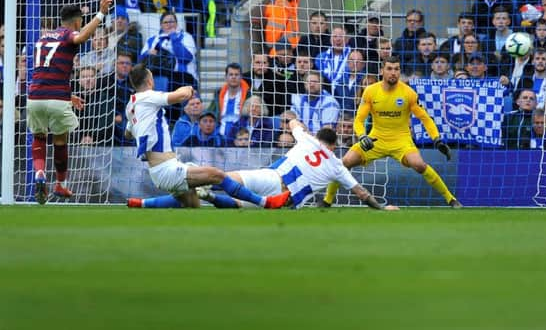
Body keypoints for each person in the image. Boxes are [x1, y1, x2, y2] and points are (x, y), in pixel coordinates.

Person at [131, 118, 400, 210]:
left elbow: (292, 121)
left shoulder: (306, 139)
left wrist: (299, 126)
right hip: (289, 200)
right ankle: (207, 195)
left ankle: (197, 188)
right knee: (237, 204)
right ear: (333, 146)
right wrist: (382, 207)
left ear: (319, 138)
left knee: (221, 177)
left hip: (271, 178)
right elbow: (362, 194)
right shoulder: (338, 165)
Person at [124, 63, 290, 209]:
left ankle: (142, 203)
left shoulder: (131, 105)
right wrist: (188, 89)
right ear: (149, 81)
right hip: (166, 169)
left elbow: (128, 133)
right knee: (217, 175)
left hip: (160, 170)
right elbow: (181, 96)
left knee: (190, 198)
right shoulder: (149, 97)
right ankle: (266, 202)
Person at [321, 56, 462, 208]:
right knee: (344, 163)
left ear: (400, 71)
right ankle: (327, 200)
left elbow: (425, 118)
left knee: (419, 165)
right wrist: (362, 136)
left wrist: (437, 139)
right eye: (389, 69)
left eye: (396, 69)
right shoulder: (370, 91)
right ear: (382, 71)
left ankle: (451, 199)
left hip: (401, 140)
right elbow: (359, 120)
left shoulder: (408, 93)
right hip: (376, 139)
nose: (393, 72)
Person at [27, 0, 112, 204]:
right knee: (59, 141)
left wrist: (68, 95)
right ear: (76, 21)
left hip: (35, 95)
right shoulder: (68, 34)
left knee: (39, 137)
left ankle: (39, 173)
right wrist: (101, 13)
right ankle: (61, 185)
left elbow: (47, 71)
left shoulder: (43, 38)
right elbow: (80, 38)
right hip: (56, 99)